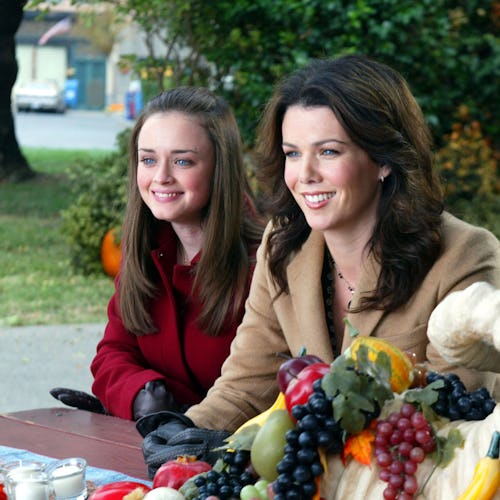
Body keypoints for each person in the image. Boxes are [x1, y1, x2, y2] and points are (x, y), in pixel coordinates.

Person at [137, 54, 500, 474]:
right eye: (293, 153)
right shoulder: (283, 244)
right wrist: (188, 432)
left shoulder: (465, 255)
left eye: (328, 152)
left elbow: (443, 427)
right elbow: (246, 383)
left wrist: (288, 446)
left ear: (383, 160)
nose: (304, 174)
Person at [51, 86, 265, 421]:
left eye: (182, 161)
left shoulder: (263, 263)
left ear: (219, 168)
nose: (161, 177)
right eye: (148, 160)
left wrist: (177, 414)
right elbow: (113, 353)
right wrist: (141, 393)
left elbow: (258, 389)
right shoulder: (146, 250)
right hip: (151, 449)